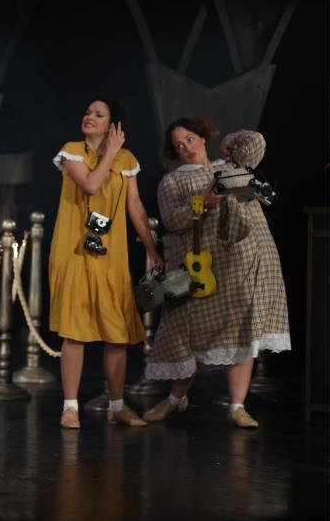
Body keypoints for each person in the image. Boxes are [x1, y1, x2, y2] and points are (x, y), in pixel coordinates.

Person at [143, 117, 290, 428]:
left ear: (203, 137)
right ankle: (175, 399)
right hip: (207, 266)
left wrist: (231, 140)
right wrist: (205, 201)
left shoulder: (232, 166)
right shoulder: (172, 181)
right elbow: (173, 221)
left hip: (247, 259)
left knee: (244, 328)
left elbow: (257, 142)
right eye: (178, 145)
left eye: (190, 139)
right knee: (188, 333)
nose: (186, 147)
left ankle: (237, 406)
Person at [49, 97, 162, 429]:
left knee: (116, 333)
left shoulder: (127, 160)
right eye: (87, 112)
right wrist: (110, 152)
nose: (89, 117)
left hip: (111, 256)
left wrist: (152, 249)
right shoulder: (72, 151)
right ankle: (70, 407)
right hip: (73, 252)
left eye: (98, 114)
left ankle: (117, 406)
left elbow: (135, 206)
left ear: (114, 126)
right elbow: (91, 184)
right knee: (75, 331)